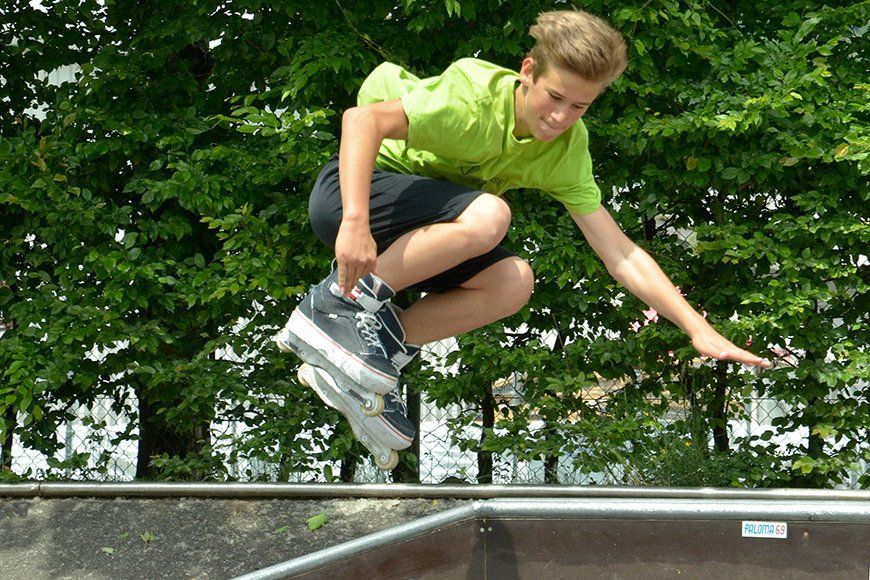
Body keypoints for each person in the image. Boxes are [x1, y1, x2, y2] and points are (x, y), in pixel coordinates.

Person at [277, 9, 771, 468]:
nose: (560, 118)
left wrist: (694, 327)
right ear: (528, 71)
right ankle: (334, 306)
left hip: (425, 235)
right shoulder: (473, 99)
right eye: (554, 98)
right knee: (490, 215)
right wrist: (355, 224)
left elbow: (619, 251)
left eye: (579, 106)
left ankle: (367, 356)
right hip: (353, 195)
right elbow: (361, 120)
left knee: (512, 281)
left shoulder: (566, 150)